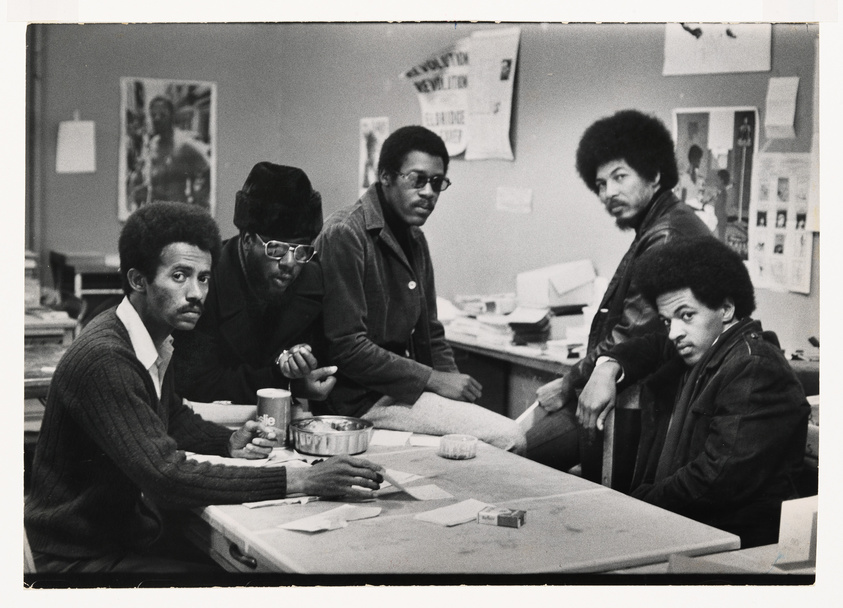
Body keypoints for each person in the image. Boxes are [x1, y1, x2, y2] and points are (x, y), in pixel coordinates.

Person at [24, 202, 383, 575]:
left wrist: (226, 443)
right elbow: (166, 476)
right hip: (73, 556)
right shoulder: (107, 358)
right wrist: (302, 479)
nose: (196, 293)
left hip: (116, 536)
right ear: (138, 280)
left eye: (204, 278)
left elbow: (172, 415)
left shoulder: (149, 338)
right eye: (180, 276)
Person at [577, 237, 809, 547]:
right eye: (667, 320)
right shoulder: (709, 348)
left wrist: (634, 505)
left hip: (736, 546)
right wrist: (606, 368)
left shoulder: (754, 367)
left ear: (726, 308)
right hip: (694, 531)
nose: (674, 332)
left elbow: (716, 479)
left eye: (686, 315)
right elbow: (652, 345)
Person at [315, 125, 526, 453]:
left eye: (438, 183)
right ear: (385, 176)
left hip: (401, 392)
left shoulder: (414, 237)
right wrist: (434, 380)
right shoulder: (346, 233)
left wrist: (453, 389)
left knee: (484, 436)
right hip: (359, 402)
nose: (429, 192)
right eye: (418, 179)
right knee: (509, 437)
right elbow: (347, 348)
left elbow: (430, 332)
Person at [525, 109, 711, 475]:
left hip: (640, 407)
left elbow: (629, 334)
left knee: (516, 455)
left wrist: (567, 383)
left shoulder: (665, 236)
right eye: (600, 184)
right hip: (636, 398)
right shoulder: (663, 222)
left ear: (654, 174)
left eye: (619, 177)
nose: (608, 192)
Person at [172, 162, 335, 407]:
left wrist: (305, 364)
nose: (290, 263)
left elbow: (328, 360)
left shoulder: (312, 277)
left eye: (301, 249)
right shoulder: (205, 283)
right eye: (276, 249)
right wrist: (285, 381)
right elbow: (197, 382)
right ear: (247, 240)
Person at [128, 95, 211, 209]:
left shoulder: (184, 144)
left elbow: (208, 170)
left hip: (179, 212)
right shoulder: (152, 143)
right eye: (153, 115)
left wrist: (199, 200)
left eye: (162, 115)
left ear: (172, 116)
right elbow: (152, 180)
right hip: (156, 211)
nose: (157, 119)